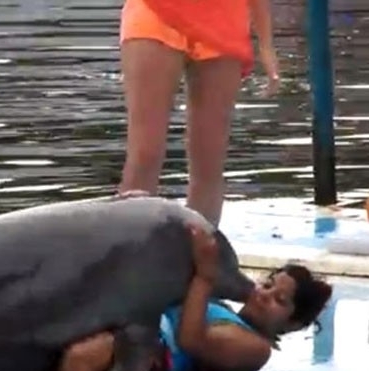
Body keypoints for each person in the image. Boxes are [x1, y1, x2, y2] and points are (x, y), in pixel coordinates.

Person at [56, 225, 333, 371]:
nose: (265, 294)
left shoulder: (256, 348)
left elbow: (190, 340)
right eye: (268, 284)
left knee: (78, 359)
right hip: (142, 326)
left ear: (293, 324)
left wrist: (205, 275)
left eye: (279, 300)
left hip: (154, 352)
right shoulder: (223, 306)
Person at [118, 0, 280, 226]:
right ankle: (131, 252)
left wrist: (266, 43)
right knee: (146, 152)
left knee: (209, 159)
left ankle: (201, 254)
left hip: (224, 19)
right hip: (155, 12)